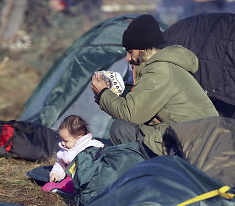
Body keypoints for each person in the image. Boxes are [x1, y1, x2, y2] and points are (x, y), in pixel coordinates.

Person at [91, 14, 219, 157]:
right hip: (194, 138)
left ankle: (142, 177)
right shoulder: (163, 67)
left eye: (130, 51)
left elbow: (131, 114)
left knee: (121, 129)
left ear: (144, 49)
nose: (128, 58)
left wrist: (103, 93)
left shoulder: (160, 71)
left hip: (193, 144)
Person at [42, 115, 104, 193]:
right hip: (71, 178)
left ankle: (65, 189)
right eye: (62, 140)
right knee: (61, 184)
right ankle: (65, 189)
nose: (63, 143)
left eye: (66, 141)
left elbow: (103, 151)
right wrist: (56, 173)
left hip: (89, 177)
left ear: (78, 137)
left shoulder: (92, 145)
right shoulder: (64, 152)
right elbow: (60, 164)